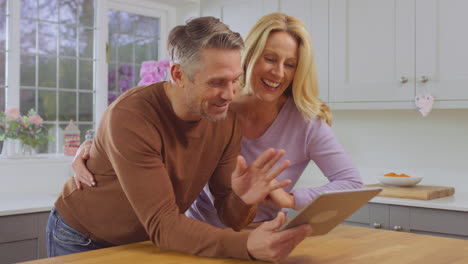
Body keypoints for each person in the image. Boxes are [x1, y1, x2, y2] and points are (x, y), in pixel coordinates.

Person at [47, 16, 312, 262]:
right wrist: (245, 246)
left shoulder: (226, 120)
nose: (230, 94)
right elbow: (164, 223)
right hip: (83, 238)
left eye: (235, 81)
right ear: (177, 75)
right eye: (217, 82)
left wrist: (244, 198)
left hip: (148, 240)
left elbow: (229, 214)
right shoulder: (131, 117)